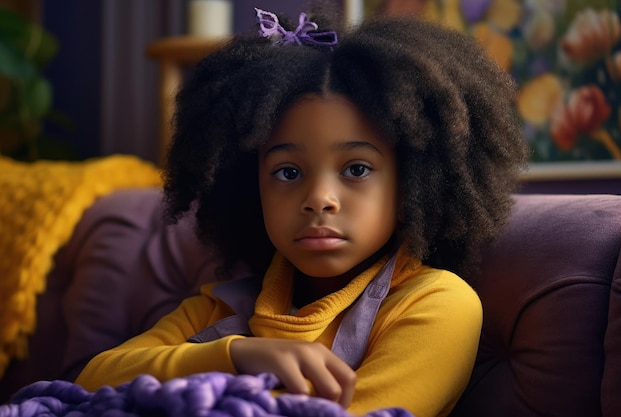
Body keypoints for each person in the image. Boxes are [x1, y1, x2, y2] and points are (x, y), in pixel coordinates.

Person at [75, 4, 528, 416]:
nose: (319, 198)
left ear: (412, 184)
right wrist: (237, 356)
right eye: (288, 173)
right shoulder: (220, 308)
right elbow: (93, 380)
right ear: (251, 188)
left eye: (355, 168)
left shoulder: (435, 304)